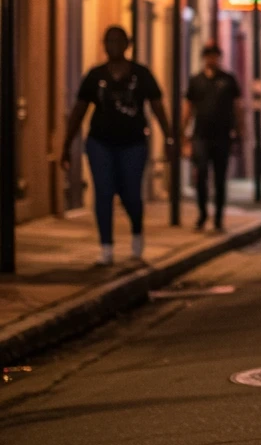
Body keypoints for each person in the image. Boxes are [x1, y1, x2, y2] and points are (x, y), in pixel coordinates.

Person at [60, 25, 172, 265]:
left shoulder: (141, 75)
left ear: (127, 45)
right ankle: (106, 247)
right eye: (109, 41)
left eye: (118, 41)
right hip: (100, 142)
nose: (113, 46)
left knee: (131, 193)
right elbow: (79, 111)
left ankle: (136, 233)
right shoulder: (95, 76)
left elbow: (157, 107)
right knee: (104, 192)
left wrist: (169, 137)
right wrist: (67, 144)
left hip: (133, 143)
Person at [182, 40, 244, 232]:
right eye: (208, 55)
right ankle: (202, 214)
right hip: (200, 135)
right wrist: (182, 133)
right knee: (201, 175)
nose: (212, 59)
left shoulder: (228, 80)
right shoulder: (196, 81)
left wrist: (240, 132)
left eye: (214, 55)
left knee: (219, 178)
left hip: (222, 136)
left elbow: (237, 108)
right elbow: (188, 108)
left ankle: (218, 218)